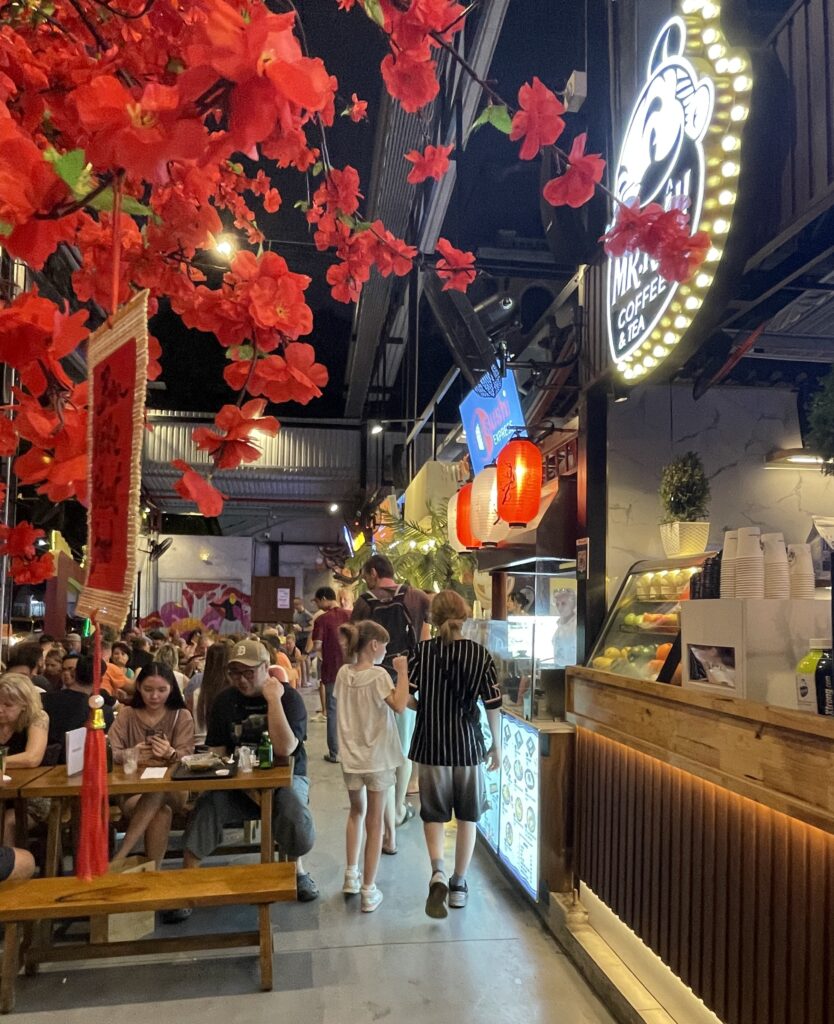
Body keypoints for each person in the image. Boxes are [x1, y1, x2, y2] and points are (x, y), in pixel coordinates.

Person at [182, 639, 318, 902]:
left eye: (248, 673)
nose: (241, 680)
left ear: (266, 667)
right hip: (238, 783)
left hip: (285, 780)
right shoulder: (224, 701)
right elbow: (218, 752)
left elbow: (286, 748)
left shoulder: (289, 699)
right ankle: (187, 878)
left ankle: (297, 869)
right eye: (234, 673)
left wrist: (273, 701)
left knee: (292, 809)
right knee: (208, 805)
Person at [405, 590, 502, 918]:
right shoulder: (479, 655)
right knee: (467, 817)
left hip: (431, 746)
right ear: (464, 617)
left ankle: (437, 873)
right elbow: (492, 706)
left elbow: (407, 697)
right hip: (467, 747)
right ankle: (459, 884)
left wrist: (425, 706)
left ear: (433, 618)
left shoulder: (422, 653)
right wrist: (497, 747)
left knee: (433, 815)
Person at [351, 555, 431, 852]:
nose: (365, 581)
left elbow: (353, 647)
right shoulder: (417, 597)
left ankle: (381, 811)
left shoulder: (363, 603)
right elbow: (427, 639)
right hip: (404, 681)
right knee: (403, 749)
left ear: (373, 573)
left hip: (370, 684)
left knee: (377, 748)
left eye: (365, 575)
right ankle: (397, 810)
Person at [336, 622, 408, 912]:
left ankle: (350, 876)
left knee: (356, 812)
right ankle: (369, 889)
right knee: (375, 822)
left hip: (351, 758)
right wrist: (402, 672)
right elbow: (399, 704)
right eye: (386, 645)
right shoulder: (379, 675)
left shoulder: (343, 674)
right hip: (376, 758)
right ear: (374, 645)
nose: (387, 651)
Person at [109, 663, 195, 871]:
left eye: (161, 690)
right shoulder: (128, 714)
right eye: (148, 690)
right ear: (138, 688)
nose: (154, 696)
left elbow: (188, 758)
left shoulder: (181, 716)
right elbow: (109, 751)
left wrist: (171, 754)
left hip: (174, 789)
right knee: (161, 812)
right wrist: (132, 753)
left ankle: (120, 856)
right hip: (134, 792)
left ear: (172, 689)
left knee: (159, 787)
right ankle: (152, 875)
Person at [0, 673, 50, 844]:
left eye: (8, 705)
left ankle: (11, 867)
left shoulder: (38, 717)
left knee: (7, 822)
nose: (0, 709)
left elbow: (32, 758)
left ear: (24, 705)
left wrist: (2, 762)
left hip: (30, 798)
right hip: (3, 793)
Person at [42, 655, 114, 762]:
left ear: (74, 674)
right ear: (100, 680)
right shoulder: (102, 712)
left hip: (42, 764)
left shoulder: (45, 699)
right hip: (80, 766)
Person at [309, 586, 351, 763]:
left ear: (324, 598)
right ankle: (351, 752)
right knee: (350, 710)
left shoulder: (322, 620)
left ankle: (335, 753)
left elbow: (317, 645)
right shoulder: (350, 615)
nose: (318, 606)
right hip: (352, 669)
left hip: (332, 669)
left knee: (333, 710)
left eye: (318, 602)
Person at [185, 641, 231, 745]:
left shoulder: (196, 694)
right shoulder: (233, 692)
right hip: (225, 748)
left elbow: (188, 726)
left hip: (198, 748)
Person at [551, 588, 577, 668]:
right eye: (557, 604)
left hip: (573, 671)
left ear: (572, 604)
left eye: (563, 603)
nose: (559, 607)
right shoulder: (559, 625)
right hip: (559, 669)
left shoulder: (577, 625)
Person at [292, 597, 313, 686]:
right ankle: (301, 680)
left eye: (296, 605)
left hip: (305, 638)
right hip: (298, 638)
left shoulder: (307, 614)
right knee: (299, 659)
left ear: (301, 604)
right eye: (294, 605)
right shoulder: (295, 614)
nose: (295, 607)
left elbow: (312, 627)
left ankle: (307, 680)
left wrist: (302, 629)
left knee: (305, 659)